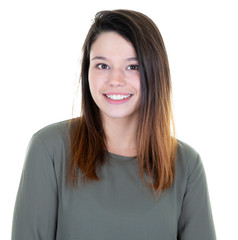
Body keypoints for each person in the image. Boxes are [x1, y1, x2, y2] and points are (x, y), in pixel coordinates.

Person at [11, 9, 216, 240]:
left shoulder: (186, 165)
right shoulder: (49, 149)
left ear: (155, 73)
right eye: (102, 66)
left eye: (132, 67)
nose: (115, 80)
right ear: (86, 71)